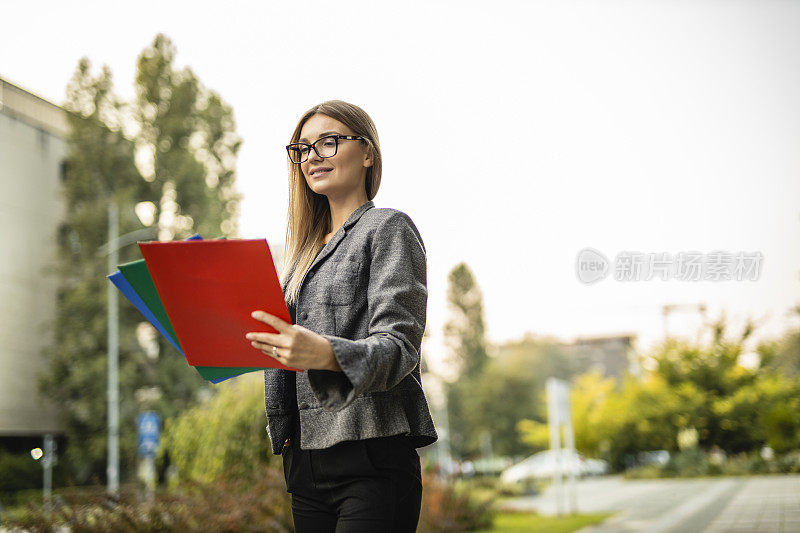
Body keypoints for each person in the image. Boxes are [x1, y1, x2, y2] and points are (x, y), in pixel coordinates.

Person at [245, 100, 438, 532]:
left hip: (370, 451)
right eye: (303, 148)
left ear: (367, 153)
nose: (312, 156)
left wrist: (325, 353)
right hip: (303, 460)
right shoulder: (296, 260)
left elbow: (400, 347)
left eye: (328, 142)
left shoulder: (388, 228)